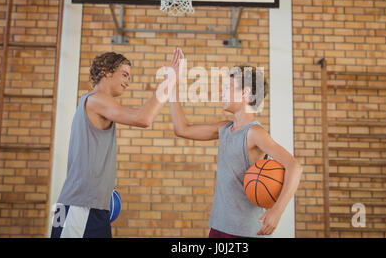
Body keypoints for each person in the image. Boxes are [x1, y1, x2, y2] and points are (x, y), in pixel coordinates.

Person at [50, 48, 181, 238]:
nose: (128, 81)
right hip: (79, 208)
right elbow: (143, 118)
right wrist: (170, 81)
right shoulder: (96, 100)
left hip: (90, 207)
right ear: (107, 71)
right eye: (124, 74)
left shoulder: (93, 102)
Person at [170, 55, 303, 237]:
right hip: (219, 226)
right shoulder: (224, 128)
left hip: (244, 231)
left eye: (228, 88)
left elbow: (294, 166)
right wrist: (173, 84)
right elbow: (181, 129)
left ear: (245, 93)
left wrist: (277, 211)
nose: (222, 92)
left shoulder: (254, 133)